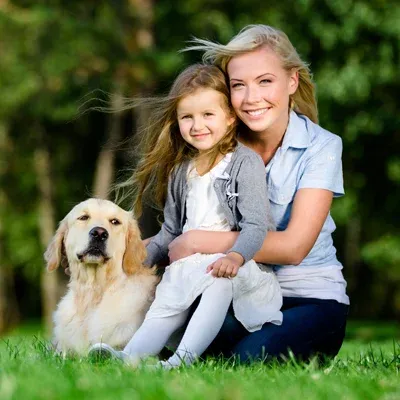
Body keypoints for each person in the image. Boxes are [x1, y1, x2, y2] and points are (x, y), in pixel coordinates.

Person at [165, 24, 350, 363]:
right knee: (184, 338)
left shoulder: (321, 147)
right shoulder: (217, 147)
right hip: (242, 294)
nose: (251, 98)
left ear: (291, 81)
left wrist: (195, 241)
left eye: (265, 81)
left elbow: (293, 248)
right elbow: (172, 230)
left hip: (310, 299)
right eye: (238, 86)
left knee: (248, 359)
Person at [88, 64, 282, 368]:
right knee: (165, 306)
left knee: (217, 283)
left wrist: (235, 257)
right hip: (190, 265)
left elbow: (256, 226)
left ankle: (182, 360)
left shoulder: (245, 163)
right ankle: (129, 358)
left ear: (230, 119)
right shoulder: (182, 171)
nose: (197, 125)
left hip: (234, 266)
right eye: (187, 117)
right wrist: (140, 260)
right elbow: (170, 231)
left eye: (208, 115)